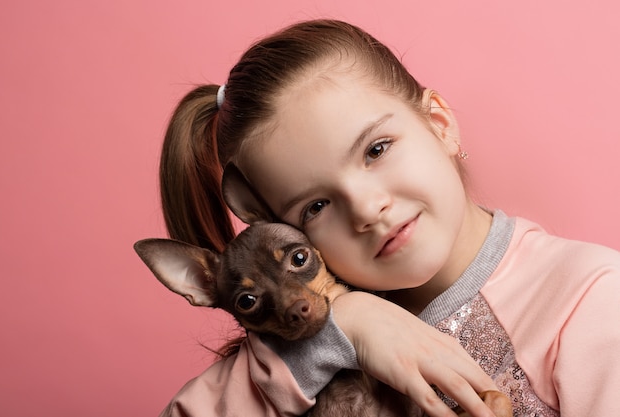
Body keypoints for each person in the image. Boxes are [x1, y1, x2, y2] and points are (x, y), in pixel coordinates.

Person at [156, 19, 620, 416]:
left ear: (439, 124)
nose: (366, 208)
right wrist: (344, 329)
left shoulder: (588, 298)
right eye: (315, 206)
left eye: (376, 150)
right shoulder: (307, 323)